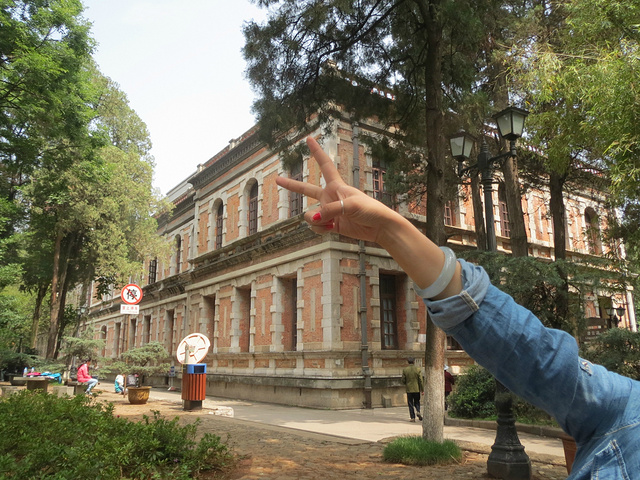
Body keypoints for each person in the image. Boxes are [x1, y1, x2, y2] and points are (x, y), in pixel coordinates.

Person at [276, 136, 640, 479]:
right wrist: (388, 230)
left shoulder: (618, 410)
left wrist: (388, 231)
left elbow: (535, 357)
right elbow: (531, 352)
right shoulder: (624, 409)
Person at [401, 357, 424, 422]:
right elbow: (421, 380)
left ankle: (412, 417)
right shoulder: (418, 369)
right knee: (417, 401)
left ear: (408, 362)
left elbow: (403, 380)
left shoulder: (405, 370)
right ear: (414, 362)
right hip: (416, 389)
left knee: (410, 403)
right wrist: (422, 389)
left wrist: (406, 383)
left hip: (409, 389)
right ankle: (418, 411)